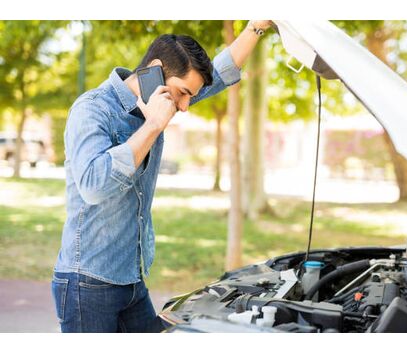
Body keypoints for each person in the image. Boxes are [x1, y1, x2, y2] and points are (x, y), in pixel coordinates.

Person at [51, 20, 272, 333]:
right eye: (183, 94)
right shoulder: (92, 109)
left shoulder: (164, 97)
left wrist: (256, 27)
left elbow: (219, 74)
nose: (184, 106)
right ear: (154, 69)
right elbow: (93, 186)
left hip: (131, 278)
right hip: (87, 284)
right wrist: (152, 126)